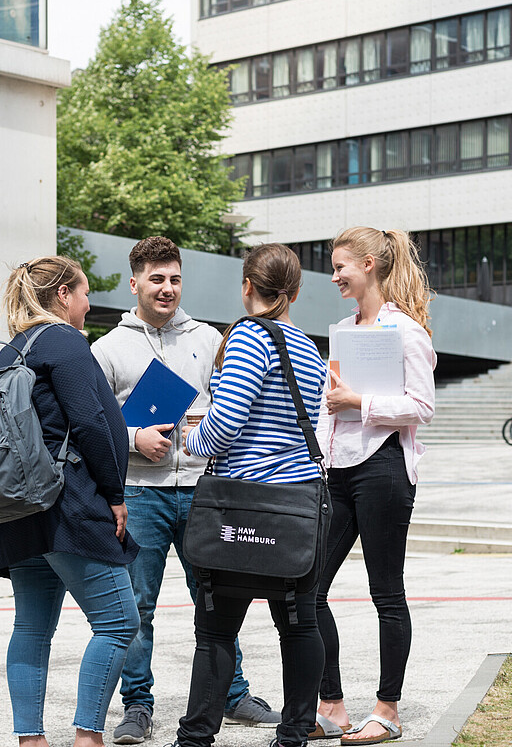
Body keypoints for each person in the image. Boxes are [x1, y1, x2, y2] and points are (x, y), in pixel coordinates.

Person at [92, 236, 281, 743]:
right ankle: (137, 704)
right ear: (134, 283)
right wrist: (134, 437)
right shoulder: (106, 349)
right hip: (140, 492)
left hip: (203, 487)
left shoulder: (213, 338)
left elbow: (233, 406)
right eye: (156, 279)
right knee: (138, 604)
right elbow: (89, 424)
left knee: (218, 597)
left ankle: (233, 694)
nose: (167, 288)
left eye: (174, 278)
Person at [172, 243, 327, 747]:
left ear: (246, 287)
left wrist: (185, 439)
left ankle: (195, 739)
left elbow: (223, 427)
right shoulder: (308, 347)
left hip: (243, 504)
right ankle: (293, 735)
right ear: (296, 292)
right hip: (297, 507)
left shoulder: (247, 337)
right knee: (300, 626)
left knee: (216, 631)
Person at [0, 255, 140, 747]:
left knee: (32, 628)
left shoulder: (10, 351)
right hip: (67, 505)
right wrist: (115, 495)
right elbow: (93, 422)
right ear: (61, 296)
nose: (87, 302)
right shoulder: (65, 342)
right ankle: (87, 736)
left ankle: (30, 740)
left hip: (18, 510)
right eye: (84, 292)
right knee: (119, 623)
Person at [313, 227, 436, 745]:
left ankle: (387, 710)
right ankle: (332, 705)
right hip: (336, 470)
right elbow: (327, 406)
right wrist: (317, 457)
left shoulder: (407, 332)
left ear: (368, 263)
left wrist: (360, 403)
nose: (335, 276)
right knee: (308, 587)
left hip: (383, 469)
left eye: (341, 266)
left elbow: (422, 406)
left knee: (386, 592)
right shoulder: (342, 329)